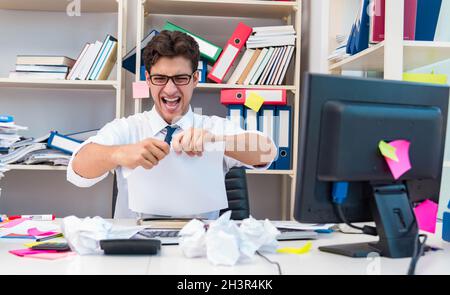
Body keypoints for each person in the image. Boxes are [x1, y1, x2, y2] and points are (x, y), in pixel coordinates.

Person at [67, 30, 277, 219]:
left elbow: (267, 151)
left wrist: (217, 142)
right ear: (148, 79)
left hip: (199, 247)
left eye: (180, 78)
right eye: (160, 78)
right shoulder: (127, 128)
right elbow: (77, 168)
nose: (170, 90)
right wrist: (120, 154)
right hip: (135, 249)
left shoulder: (214, 128)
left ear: (195, 79)